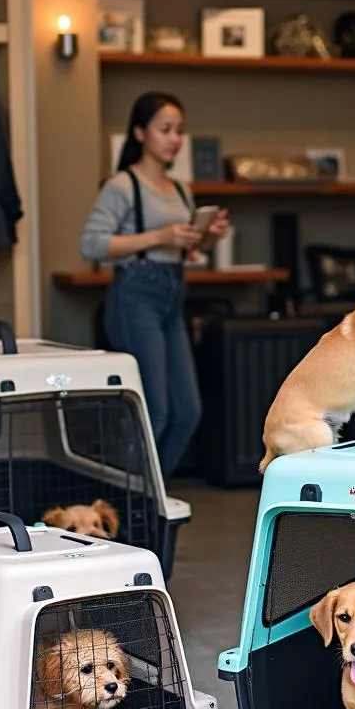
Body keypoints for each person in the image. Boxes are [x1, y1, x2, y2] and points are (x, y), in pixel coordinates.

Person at [80, 91, 230, 479]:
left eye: (179, 130)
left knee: (187, 412)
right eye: (165, 129)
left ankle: (149, 496)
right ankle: (131, 497)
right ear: (139, 133)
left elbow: (186, 248)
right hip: (134, 296)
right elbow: (92, 244)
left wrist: (207, 236)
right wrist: (159, 236)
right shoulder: (122, 185)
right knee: (157, 412)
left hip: (172, 296)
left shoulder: (181, 189)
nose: (175, 139)